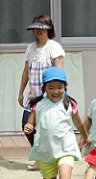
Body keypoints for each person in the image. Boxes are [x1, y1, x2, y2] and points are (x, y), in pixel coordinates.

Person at [24, 67, 90, 179]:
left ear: (65, 87)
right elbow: (31, 122)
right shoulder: (38, 104)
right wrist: (29, 125)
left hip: (66, 148)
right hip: (46, 152)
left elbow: (79, 123)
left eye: (59, 87)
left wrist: (86, 136)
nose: (55, 91)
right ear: (44, 87)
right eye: (51, 87)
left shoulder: (69, 103)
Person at [18, 14, 65, 171]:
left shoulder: (54, 47)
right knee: (27, 126)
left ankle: (55, 158)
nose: (38, 31)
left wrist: (57, 95)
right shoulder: (30, 48)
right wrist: (20, 92)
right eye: (35, 28)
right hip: (33, 97)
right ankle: (40, 156)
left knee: (49, 129)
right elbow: (26, 72)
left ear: (48, 29)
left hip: (49, 98)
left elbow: (59, 74)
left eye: (42, 28)